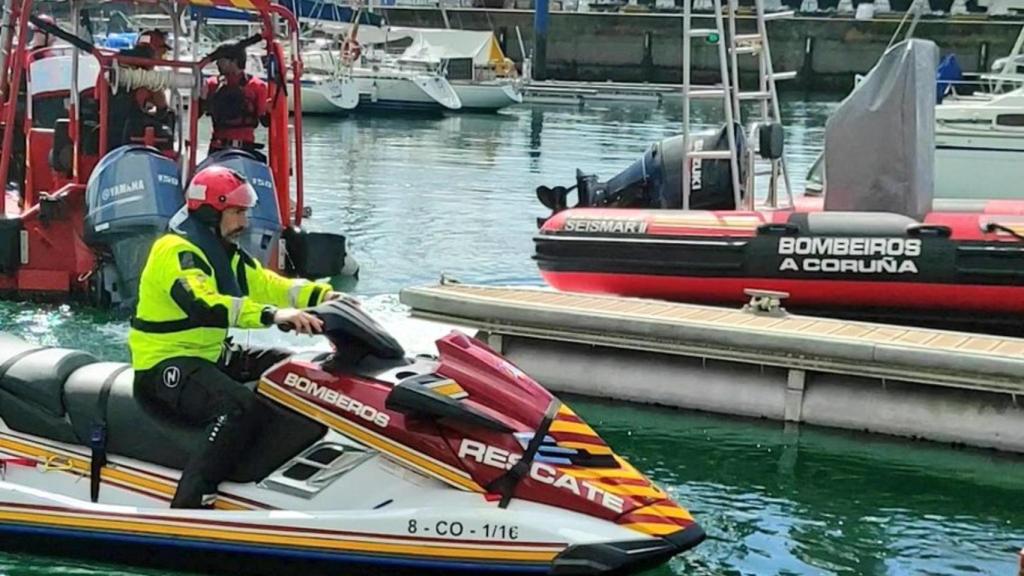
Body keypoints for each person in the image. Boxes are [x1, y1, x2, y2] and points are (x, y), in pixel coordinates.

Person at [128, 165, 354, 508]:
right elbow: (204, 303)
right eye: (235, 212)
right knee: (236, 407)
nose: (244, 222)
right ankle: (191, 503)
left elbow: (268, 284)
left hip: (209, 355)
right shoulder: (175, 251)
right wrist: (272, 316)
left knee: (295, 369)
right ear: (209, 212)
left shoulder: (223, 251)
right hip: (164, 365)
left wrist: (322, 297)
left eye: (244, 212)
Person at [200, 41, 269, 159]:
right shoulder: (211, 84)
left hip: (246, 150)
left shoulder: (257, 87)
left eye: (221, 60)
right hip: (217, 149)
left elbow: (266, 122)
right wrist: (202, 99)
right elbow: (196, 115)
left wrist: (272, 108)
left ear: (234, 61)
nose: (217, 63)